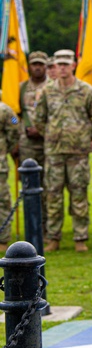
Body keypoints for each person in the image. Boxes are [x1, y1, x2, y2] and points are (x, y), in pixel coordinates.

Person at [35, 50, 92, 252]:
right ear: (55, 67)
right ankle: (54, 238)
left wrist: (85, 134)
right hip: (55, 152)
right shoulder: (47, 92)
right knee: (53, 195)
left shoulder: (86, 91)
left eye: (66, 64)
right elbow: (39, 119)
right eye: (59, 64)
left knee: (79, 195)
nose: (63, 67)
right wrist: (51, 134)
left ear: (74, 65)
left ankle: (80, 237)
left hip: (78, 153)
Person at [18, 51, 49, 170]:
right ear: (29, 66)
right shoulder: (21, 88)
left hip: (48, 142)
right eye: (34, 64)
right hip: (26, 143)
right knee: (27, 179)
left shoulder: (53, 87)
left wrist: (41, 129)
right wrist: (18, 125)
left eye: (41, 65)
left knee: (49, 182)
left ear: (45, 66)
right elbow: (13, 115)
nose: (37, 68)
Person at [0, 100, 20, 251]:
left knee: (2, 201)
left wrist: (5, 149)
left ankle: (3, 239)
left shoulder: (4, 110)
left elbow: (14, 128)